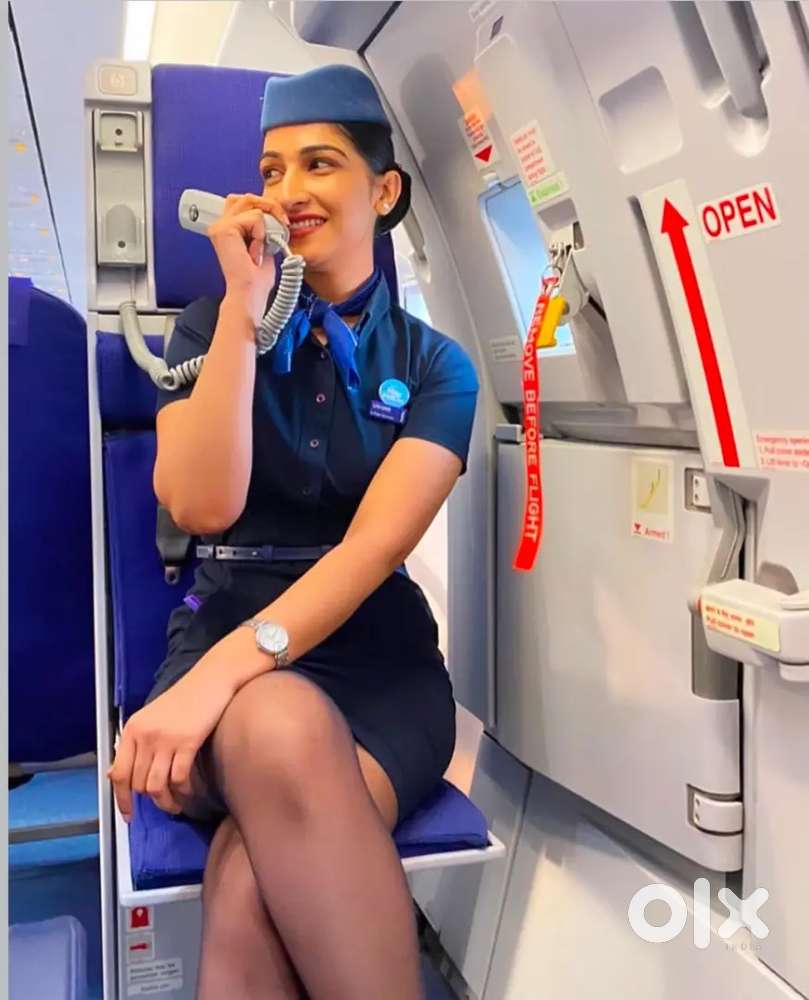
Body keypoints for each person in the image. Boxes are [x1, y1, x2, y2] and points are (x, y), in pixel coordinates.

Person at [108, 64, 479, 999]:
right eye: (271, 170)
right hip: (225, 626)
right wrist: (244, 315)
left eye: (319, 163)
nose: (288, 191)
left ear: (382, 192)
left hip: (375, 664)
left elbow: (372, 552)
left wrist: (217, 681)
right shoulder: (207, 326)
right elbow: (201, 508)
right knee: (274, 723)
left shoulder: (437, 366)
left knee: (248, 883)